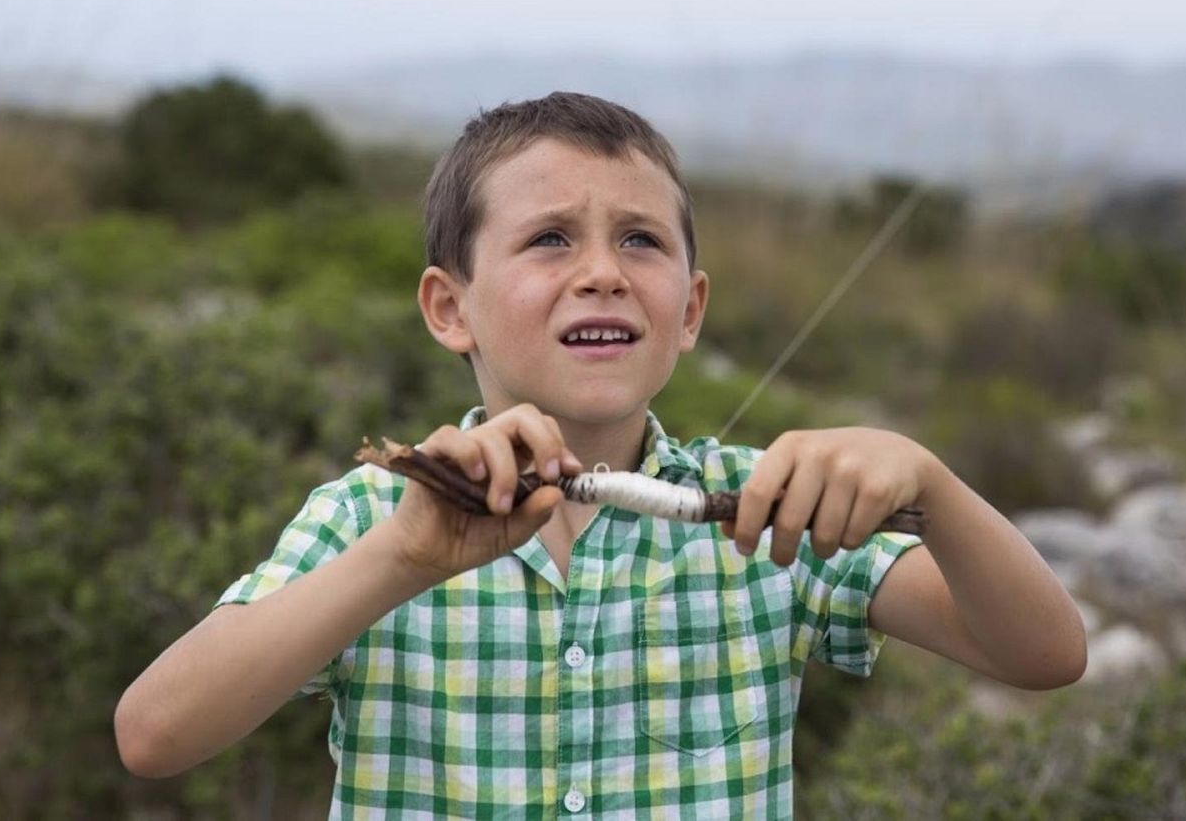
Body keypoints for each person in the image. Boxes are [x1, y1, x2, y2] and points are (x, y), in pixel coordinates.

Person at [114, 91, 1086, 817]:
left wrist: (932, 484)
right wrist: (401, 560)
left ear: (691, 310)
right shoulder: (375, 515)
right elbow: (156, 734)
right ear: (449, 308)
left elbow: (1043, 655)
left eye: (639, 241)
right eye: (548, 239)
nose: (601, 275)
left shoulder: (766, 508)